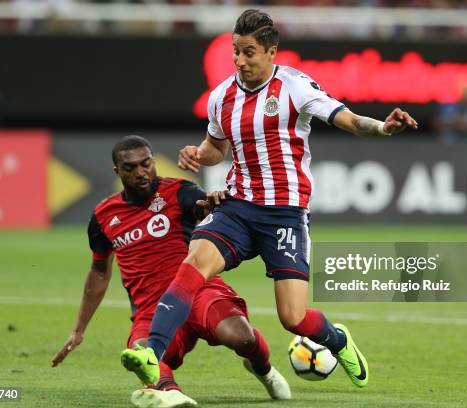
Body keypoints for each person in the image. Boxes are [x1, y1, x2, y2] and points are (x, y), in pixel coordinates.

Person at [121, 9, 418, 390]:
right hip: (237, 206)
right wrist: (198, 154)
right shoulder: (221, 96)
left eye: (248, 52)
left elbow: (349, 120)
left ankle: (338, 340)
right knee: (192, 265)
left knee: (293, 317)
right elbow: (216, 147)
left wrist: (382, 127)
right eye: (235, 51)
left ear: (271, 52)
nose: (239, 60)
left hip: (285, 215)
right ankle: (153, 353)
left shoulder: (295, 87)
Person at [52, 135, 291, 407]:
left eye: (146, 164)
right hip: (150, 309)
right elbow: (99, 272)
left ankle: (264, 370)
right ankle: (168, 390)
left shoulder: (180, 191)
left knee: (242, 337)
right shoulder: (103, 216)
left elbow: (203, 211)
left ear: (153, 161)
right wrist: (79, 329)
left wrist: (209, 205)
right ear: (117, 171)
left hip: (199, 291)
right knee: (141, 352)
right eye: (131, 168)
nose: (141, 172)